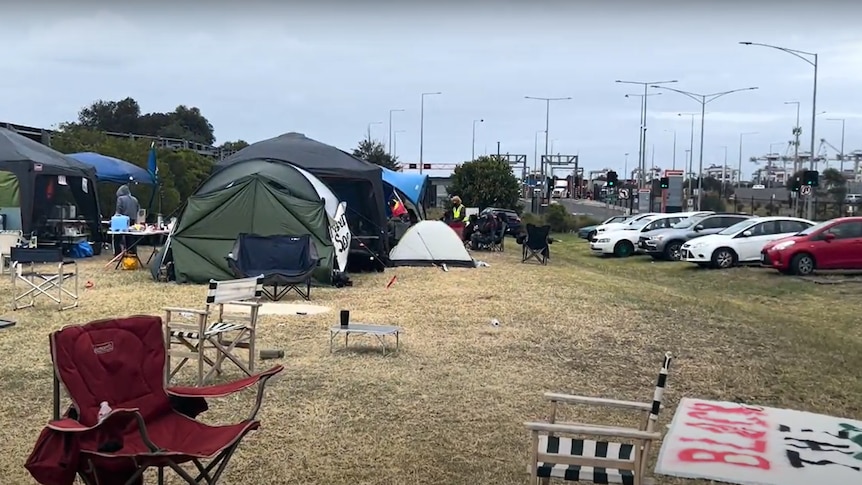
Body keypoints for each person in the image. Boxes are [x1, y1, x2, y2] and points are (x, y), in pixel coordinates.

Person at [113, 185, 140, 256]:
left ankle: (118, 254)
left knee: (117, 237)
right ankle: (132, 253)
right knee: (130, 237)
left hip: (123, 221)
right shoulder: (135, 199)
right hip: (132, 220)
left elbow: (118, 211)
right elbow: (138, 210)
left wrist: (113, 219)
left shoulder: (120, 199)